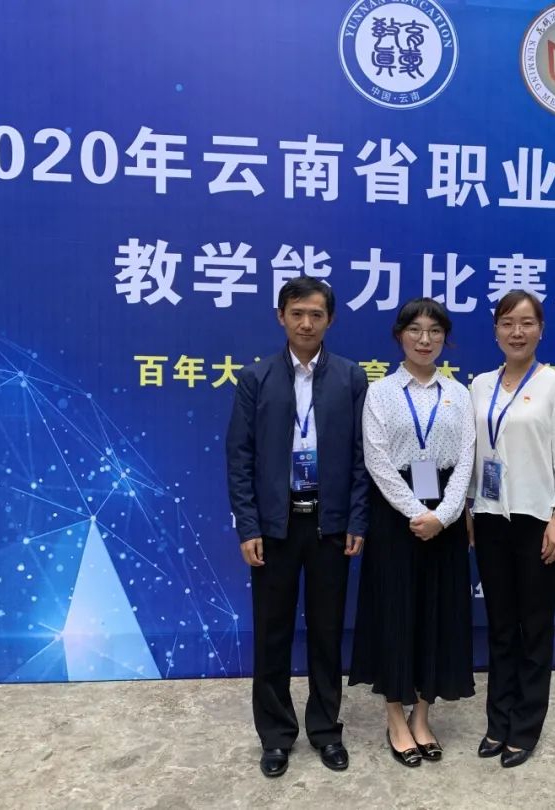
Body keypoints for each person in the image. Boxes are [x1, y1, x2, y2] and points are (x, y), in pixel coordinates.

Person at [225, 276, 369, 778]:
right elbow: (239, 458)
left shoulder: (350, 377)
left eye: (316, 314)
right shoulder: (256, 378)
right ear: (280, 316)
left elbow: (361, 457)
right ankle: (276, 736)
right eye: (297, 313)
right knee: (272, 635)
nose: (306, 323)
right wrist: (249, 526)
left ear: (330, 319)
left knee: (327, 634)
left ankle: (326, 731)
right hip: (275, 527)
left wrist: (356, 518)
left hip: (329, 526)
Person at [350, 298, 476, 768]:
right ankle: (395, 718)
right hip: (394, 515)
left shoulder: (458, 393)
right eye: (416, 330)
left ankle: (422, 715)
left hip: (445, 516)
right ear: (399, 335)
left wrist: (444, 515)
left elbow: (467, 457)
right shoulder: (380, 392)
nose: (425, 340)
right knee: (395, 612)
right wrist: (416, 512)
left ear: (445, 339)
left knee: (438, 614)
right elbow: (377, 460)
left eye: (435, 331)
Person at [467, 289, 555, 768]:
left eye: (527, 323)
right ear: (495, 330)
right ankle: (498, 721)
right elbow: (474, 453)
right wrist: (469, 507)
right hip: (490, 518)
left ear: (541, 330)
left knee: (533, 627)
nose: (517, 332)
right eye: (508, 323)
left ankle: (526, 726)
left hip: (537, 520)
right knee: (500, 626)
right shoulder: (479, 385)